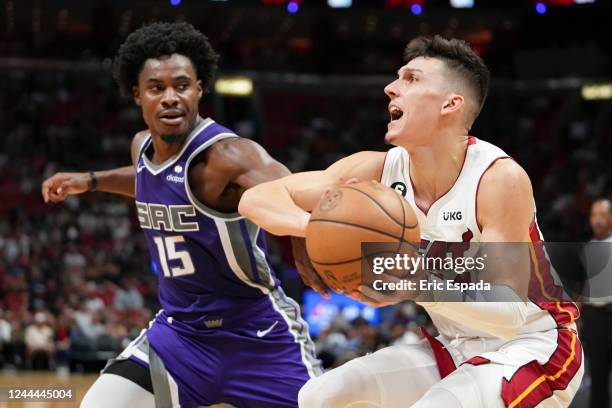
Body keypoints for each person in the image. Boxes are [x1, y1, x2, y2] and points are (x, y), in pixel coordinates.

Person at [239, 35, 583, 407]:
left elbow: (508, 315)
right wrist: (312, 228)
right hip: (453, 348)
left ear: (451, 104)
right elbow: (257, 197)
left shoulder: (498, 178)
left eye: (411, 79)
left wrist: (418, 283)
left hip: (534, 348)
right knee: (321, 396)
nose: (390, 88)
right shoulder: (378, 168)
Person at [42, 22, 322, 408]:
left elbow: (298, 192)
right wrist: (90, 181)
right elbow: (145, 179)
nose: (171, 97)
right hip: (180, 337)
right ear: (137, 94)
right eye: (157, 88)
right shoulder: (141, 147)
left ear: (199, 89)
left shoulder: (227, 156)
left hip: (257, 335)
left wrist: (302, 246)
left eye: (182, 85)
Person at [581, 198, 612, 408]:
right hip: (595, 320)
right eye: (594, 215)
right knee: (598, 377)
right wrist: (578, 316)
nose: (597, 220)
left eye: (602, 215)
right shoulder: (588, 248)